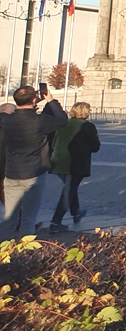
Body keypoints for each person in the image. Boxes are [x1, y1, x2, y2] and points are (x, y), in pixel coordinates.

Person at [0, 85, 68, 238]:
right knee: (28, 218)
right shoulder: (40, 120)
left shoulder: (6, 120)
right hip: (34, 174)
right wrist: (50, 100)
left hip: (12, 173)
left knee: (9, 217)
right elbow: (62, 120)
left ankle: (5, 247)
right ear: (33, 100)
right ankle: (25, 248)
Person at [47, 101, 100, 233]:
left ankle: (76, 213)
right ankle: (55, 222)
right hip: (76, 163)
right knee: (68, 191)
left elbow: (53, 142)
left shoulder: (64, 124)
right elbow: (95, 147)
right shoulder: (88, 126)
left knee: (70, 188)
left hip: (58, 161)